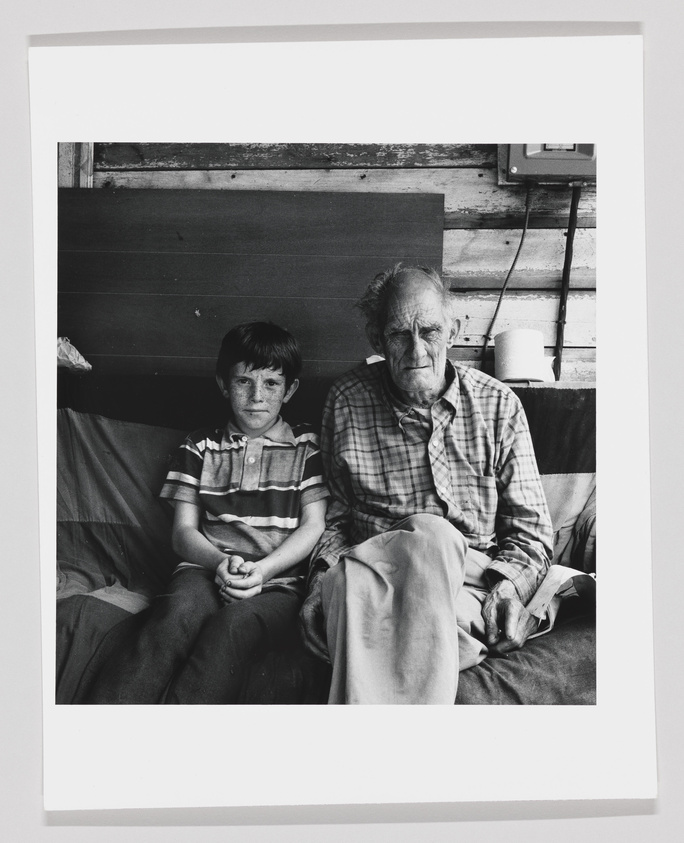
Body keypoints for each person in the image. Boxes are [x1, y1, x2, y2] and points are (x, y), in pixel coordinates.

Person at [299, 264, 554, 704]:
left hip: (466, 578)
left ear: (453, 330)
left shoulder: (500, 406)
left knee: (427, 544)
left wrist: (510, 586)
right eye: (399, 334)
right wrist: (321, 582)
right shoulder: (346, 400)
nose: (416, 349)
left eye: (430, 331)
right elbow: (335, 519)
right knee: (358, 592)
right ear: (377, 340)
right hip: (373, 570)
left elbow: (531, 532)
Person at [85, 321, 328, 704]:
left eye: (271, 384)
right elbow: (183, 532)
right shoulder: (198, 446)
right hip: (204, 568)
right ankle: (101, 727)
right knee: (175, 616)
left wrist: (262, 571)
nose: (256, 397)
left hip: (280, 580)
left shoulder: (307, 447)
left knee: (232, 628)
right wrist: (219, 563)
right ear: (223, 384)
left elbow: (314, 527)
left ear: (290, 389)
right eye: (244, 381)